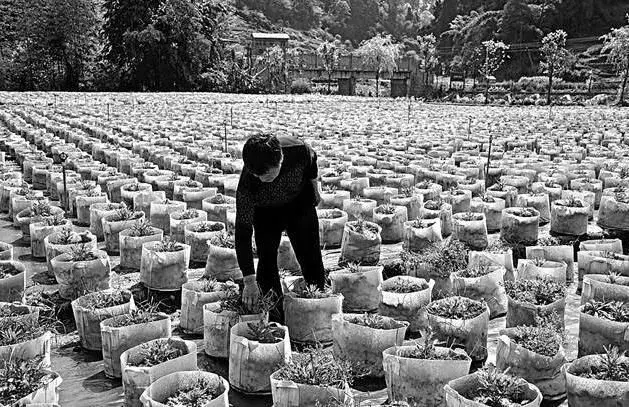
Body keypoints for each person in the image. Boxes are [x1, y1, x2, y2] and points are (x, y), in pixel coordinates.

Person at [235, 133, 325, 322]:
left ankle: (316, 312)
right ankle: (275, 317)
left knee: (311, 257)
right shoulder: (248, 183)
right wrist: (249, 280)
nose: (262, 179)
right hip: (266, 213)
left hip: (299, 203)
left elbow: (311, 165)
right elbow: (243, 231)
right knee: (266, 262)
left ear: (281, 159)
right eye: (257, 175)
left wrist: (315, 189)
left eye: (267, 174)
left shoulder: (299, 150)